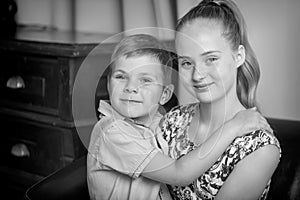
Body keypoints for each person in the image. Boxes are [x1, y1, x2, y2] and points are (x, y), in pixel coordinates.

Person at [87, 34, 273, 200]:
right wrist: (234, 126)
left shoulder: (162, 122)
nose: (131, 87)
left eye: (145, 80)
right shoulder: (112, 131)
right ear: (109, 86)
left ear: (164, 95)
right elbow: (180, 174)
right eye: (120, 77)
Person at [158, 0, 282, 199]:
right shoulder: (173, 120)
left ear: (239, 56)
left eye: (211, 59)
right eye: (187, 63)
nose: (197, 75)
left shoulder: (260, 146)